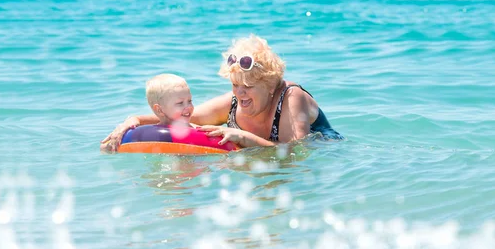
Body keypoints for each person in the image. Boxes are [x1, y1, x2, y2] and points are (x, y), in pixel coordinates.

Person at [101, 34, 343, 151]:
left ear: (270, 85)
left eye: (248, 87)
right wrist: (133, 121)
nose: (240, 93)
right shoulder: (234, 101)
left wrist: (246, 139)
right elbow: (181, 119)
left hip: (328, 150)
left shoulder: (292, 98)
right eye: (235, 84)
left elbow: (297, 152)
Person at [100, 73, 194, 152]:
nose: (189, 106)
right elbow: (104, 147)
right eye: (180, 103)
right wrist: (110, 145)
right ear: (159, 110)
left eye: (190, 101)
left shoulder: (194, 128)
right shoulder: (149, 134)